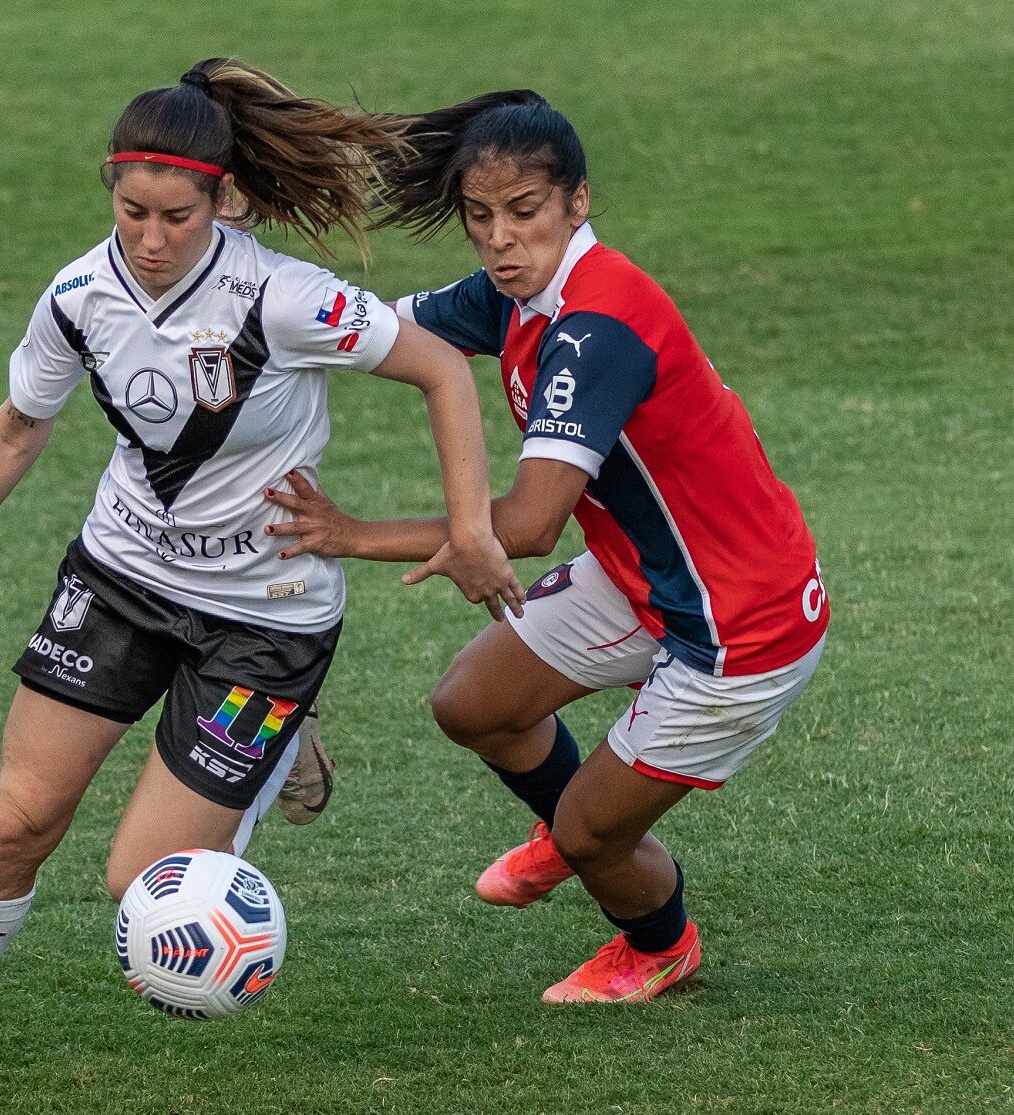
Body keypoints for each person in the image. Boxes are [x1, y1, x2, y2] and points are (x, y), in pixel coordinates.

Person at [0, 60, 522, 1077]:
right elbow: (16, 429)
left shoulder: (282, 299)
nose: (150, 238)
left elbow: (440, 367)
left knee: (141, 880)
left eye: (177, 216)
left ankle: (282, 741)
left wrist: (468, 529)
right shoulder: (78, 296)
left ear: (222, 199)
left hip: (265, 619)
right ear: (110, 184)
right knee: (16, 819)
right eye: (132, 209)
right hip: (119, 579)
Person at [264, 90, 828, 1004]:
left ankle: (656, 939)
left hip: (741, 627)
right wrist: (251, 311)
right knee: (473, 704)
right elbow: (371, 325)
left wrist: (348, 533)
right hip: (652, 576)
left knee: (594, 832)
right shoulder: (515, 294)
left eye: (524, 213)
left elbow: (524, 528)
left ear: (578, 204)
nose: (498, 239)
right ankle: (575, 829)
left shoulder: (596, 330)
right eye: (479, 218)